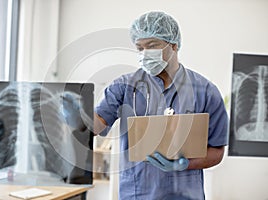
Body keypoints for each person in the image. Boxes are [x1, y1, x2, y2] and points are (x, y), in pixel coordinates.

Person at [92, 11, 228, 200]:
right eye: (140, 48)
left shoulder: (205, 90)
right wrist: (78, 116)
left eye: (152, 45)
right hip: (137, 194)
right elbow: (96, 126)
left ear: (174, 45)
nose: (145, 53)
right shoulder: (123, 87)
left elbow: (217, 151)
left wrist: (184, 164)